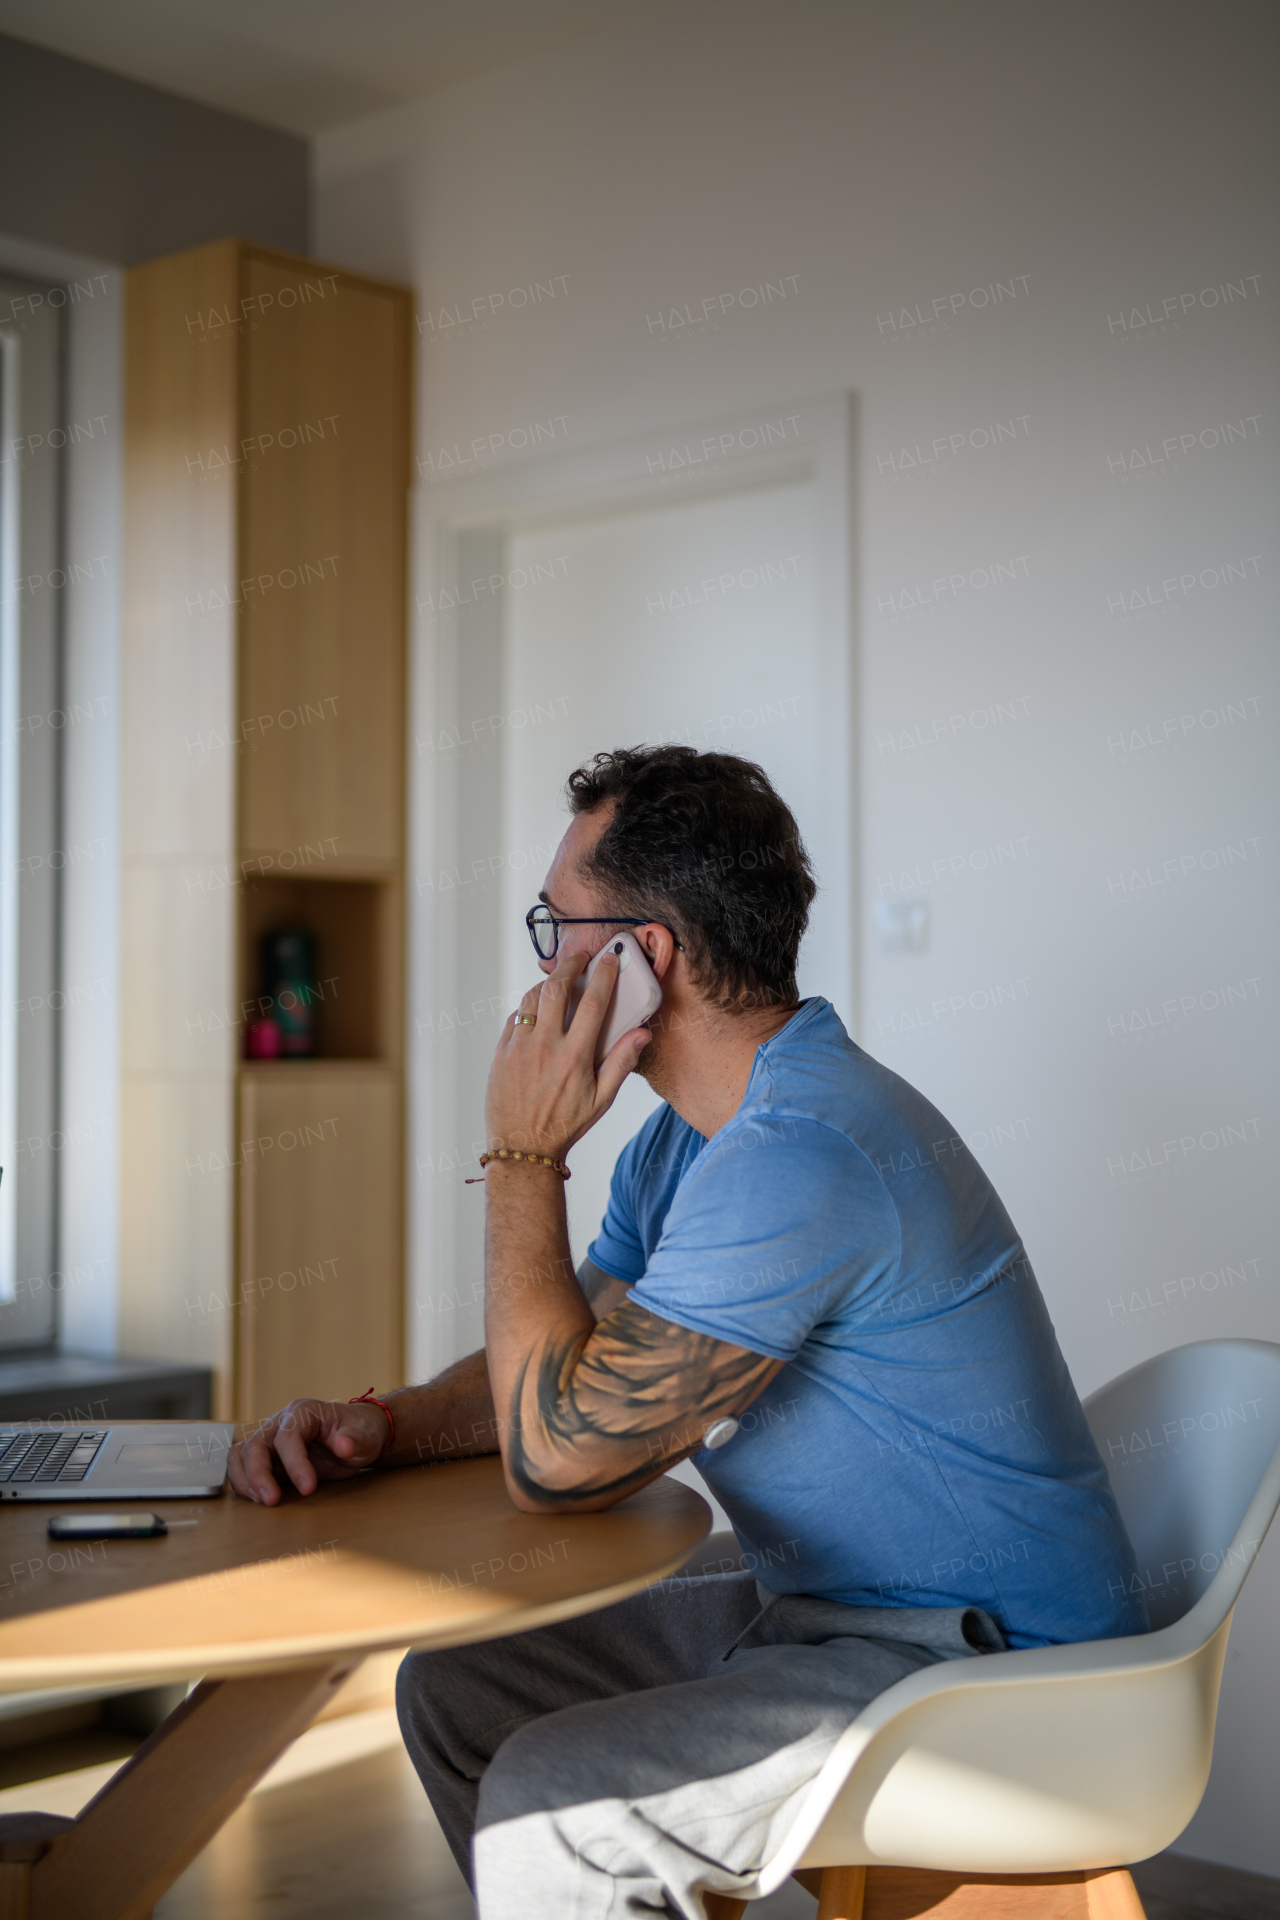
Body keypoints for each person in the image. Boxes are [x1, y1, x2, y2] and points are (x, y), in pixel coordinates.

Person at [228, 745, 1147, 1919]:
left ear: (639, 954)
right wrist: (379, 1425)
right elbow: (572, 1367)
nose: (542, 962)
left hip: (991, 1669)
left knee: (558, 1809)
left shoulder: (803, 1152)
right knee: (463, 1683)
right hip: (838, 1608)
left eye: (555, 924)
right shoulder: (692, 1140)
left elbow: (558, 1462)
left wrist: (522, 1157)